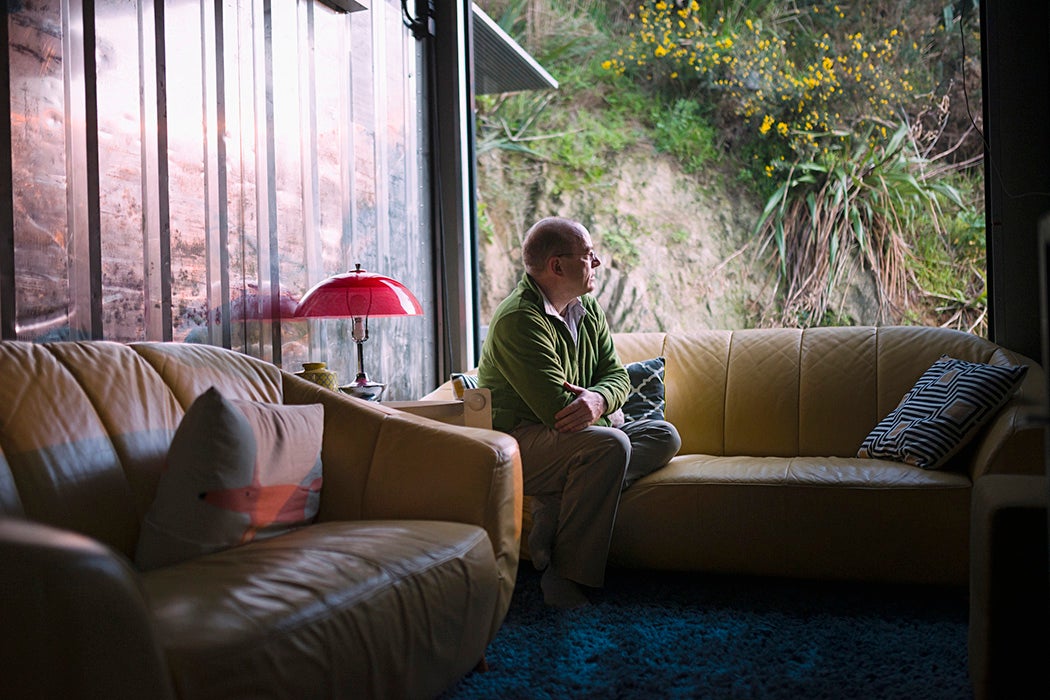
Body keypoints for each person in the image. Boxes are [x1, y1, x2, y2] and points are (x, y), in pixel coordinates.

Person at [477, 216, 682, 608]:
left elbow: (615, 375)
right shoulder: (519, 319)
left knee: (663, 435)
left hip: (568, 440)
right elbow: (560, 412)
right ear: (557, 266)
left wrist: (601, 401)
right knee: (611, 445)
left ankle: (554, 505)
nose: (598, 262)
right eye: (589, 255)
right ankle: (564, 575)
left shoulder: (585, 306)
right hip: (517, 443)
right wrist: (611, 414)